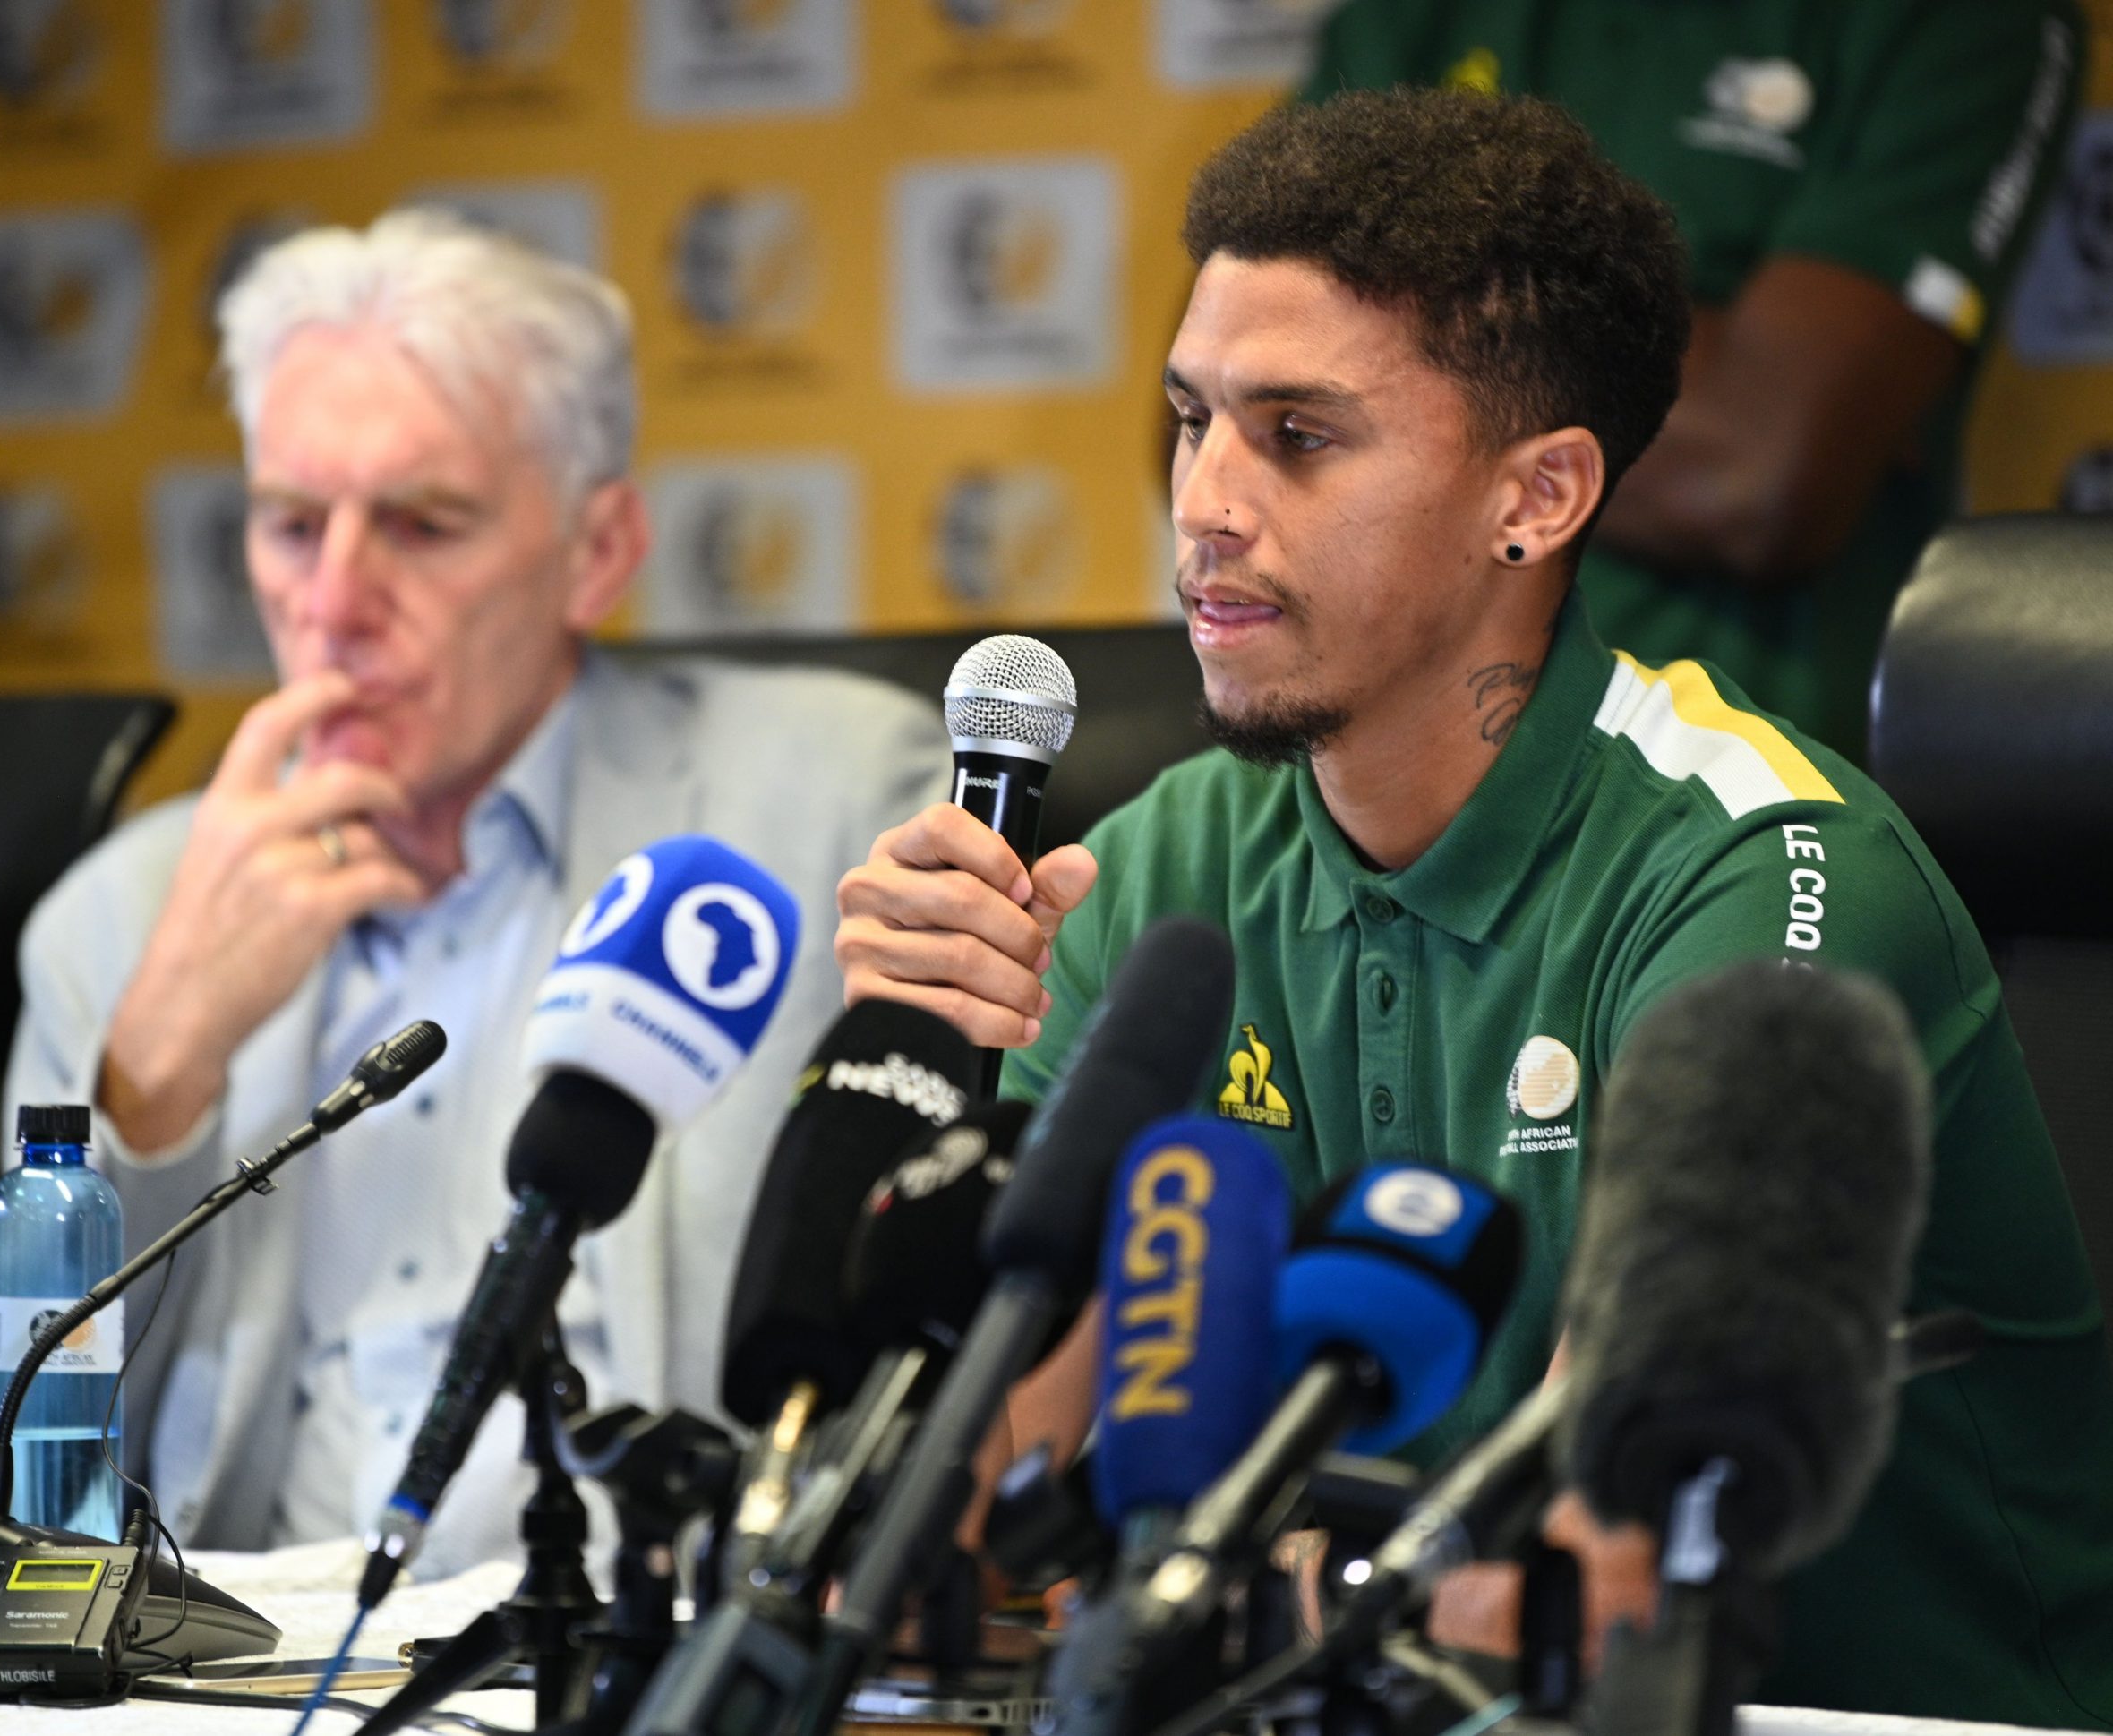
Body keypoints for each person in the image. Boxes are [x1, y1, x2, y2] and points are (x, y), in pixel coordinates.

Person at [836, 90, 2113, 1724]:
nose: (1204, 499)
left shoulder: (1772, 873)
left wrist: (1178, 1584)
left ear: (1540, 496)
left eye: (1298, 435)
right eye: (1190, 417)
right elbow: (944, 1521)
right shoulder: (1159, 869)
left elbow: (1583, 1576)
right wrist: (917, 1083)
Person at [6, 210, 951, 1566]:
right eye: (291, 524)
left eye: (422, 524)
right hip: (243, 1657)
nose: (334, 601)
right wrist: (155, 1071)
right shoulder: (116, 920)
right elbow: (22, 1490)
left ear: (597, 551)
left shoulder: (831, 807)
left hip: (636, 1640)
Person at [1302, 0, 2085, 759]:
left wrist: (1390, 332)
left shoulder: (1959, 19)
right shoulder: (1407, 15)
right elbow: (1255, 386)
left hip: (1738, 788)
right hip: (1381, 782)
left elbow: (1753, 470)